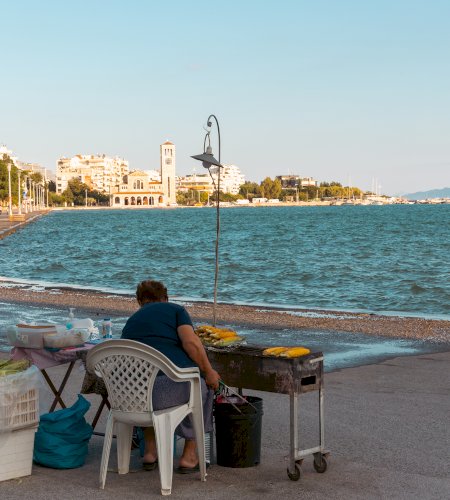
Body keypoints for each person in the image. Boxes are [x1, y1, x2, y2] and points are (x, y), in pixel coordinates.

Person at [121, 279, 221, 473]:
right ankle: (190, 456)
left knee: (147, 382)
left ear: (139, 301)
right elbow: (191, 343)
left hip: (131, 396)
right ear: (165, 298)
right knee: (205, 386)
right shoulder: (176, 311)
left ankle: (151, 451)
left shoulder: (132, 321)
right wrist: (209, 372)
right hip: (164, 393)